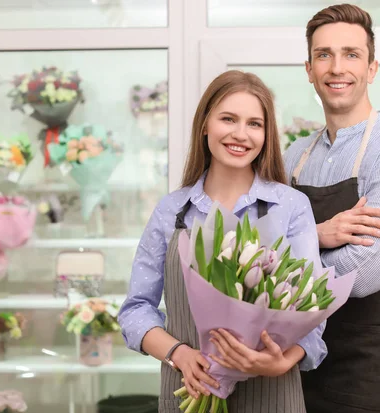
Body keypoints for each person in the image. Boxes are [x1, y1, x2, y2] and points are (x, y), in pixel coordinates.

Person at [118, 70, 325, 413]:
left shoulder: (290, 206)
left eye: (254, 124)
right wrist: (179, 355)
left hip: (271, 392)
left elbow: (312, 309)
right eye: (228, 119)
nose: (240, 134)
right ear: (205, 125)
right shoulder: (172, 209)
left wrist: (281, 362)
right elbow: (136, 309)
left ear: (266, 133)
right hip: (190, 388)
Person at [283, 4, 380, 413]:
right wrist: (317, 234)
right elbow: (257, 241)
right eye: (323, 55)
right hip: (291, 355)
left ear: (371, 69)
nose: (337, 67)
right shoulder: (293, 156)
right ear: (309, 68)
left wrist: (282, 263)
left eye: (351, 54)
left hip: (364, 363)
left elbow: (365, 274)